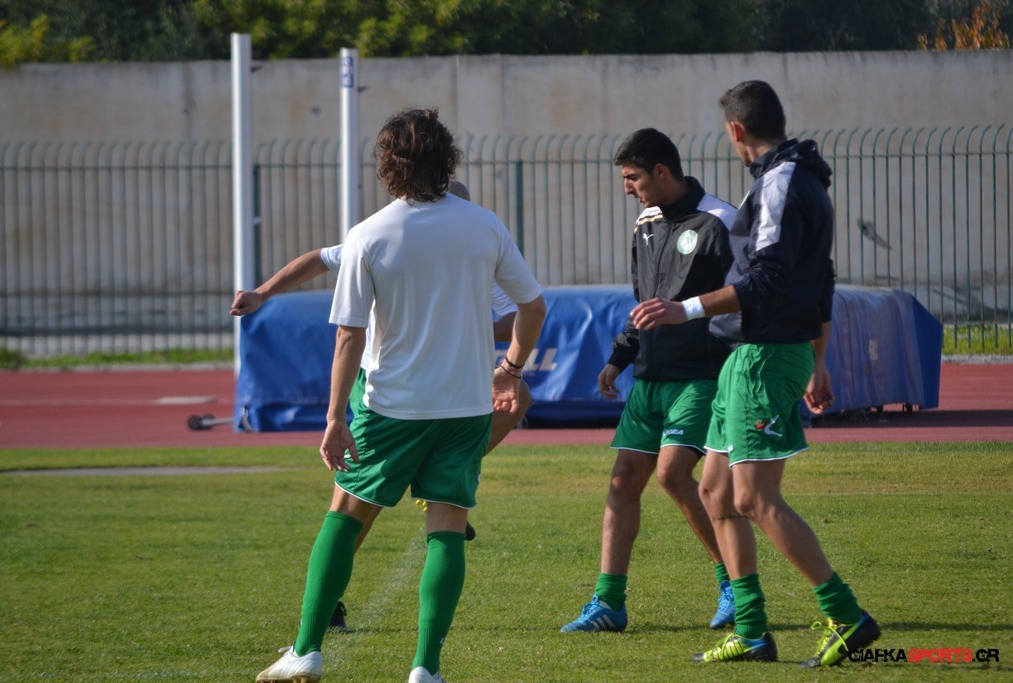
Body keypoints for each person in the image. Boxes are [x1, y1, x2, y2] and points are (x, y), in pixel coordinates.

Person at [254, 107, 546, 683]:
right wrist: (511, 370)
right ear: (448, 158)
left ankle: (306, 650)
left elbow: (349, 335)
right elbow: (533, 308)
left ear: (388, 165)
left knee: (345, 514)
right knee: (447, 525)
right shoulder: (484, 225)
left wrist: (334, 417)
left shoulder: (369, 234)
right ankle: (425, 669)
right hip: (465, 406)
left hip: (390, 405)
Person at [630, 81, 880, 666]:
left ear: (736, 130)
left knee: (754, 498)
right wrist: (818, 361)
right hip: (748, 357)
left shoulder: (781, 182)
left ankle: (847, 616)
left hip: (764, 356)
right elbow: (822, 279)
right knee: (715, 492)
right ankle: (751, 631)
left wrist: (685, 308)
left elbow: (768, 278)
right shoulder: (798, 178)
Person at [560, 129, 738, 634]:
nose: (627, 188)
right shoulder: (646, 224)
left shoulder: (719, 222)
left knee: (672, 474)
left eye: (632, 177)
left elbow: (747, 298)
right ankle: (609, 603)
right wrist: (619, 357)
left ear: (661, 172)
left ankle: (733, 584)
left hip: (701, 376)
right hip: (650, 377)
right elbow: (646, 302)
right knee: (622, 481)